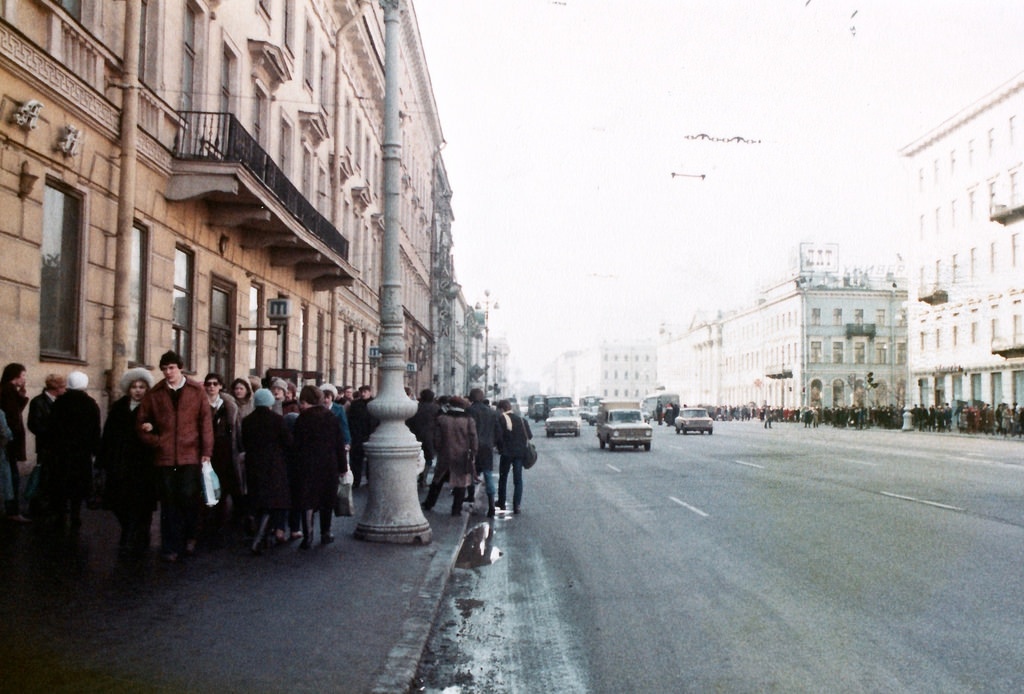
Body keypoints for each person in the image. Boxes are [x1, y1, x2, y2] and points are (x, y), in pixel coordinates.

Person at [137, 350, 214, 563]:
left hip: (190, 455)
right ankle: (170, 546)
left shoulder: (196, 391)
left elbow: (205, 423)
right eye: (164, 369)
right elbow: (142, 423)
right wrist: (157, 441)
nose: (168, 372)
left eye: (171, 368)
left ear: (180, 368)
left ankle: (190, 537)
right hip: (165, 457)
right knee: (168, 502)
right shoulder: (155, 393)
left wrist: (206, 451)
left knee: (189, 498)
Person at [97, 367, 157, 552]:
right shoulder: (119, 406)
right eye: (134, 387)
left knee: (142, 502)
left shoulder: (152, 408)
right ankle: (128, 529)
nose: (138, 390)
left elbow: (162, 432)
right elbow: (108, 434)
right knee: (119, 501)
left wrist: (152, 428)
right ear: (128, 389)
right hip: (121, 461)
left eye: (141, 387)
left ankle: (138, 534)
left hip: (144, 463)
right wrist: (102, 460)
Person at [290, 385, 347, 548]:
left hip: (306, 465)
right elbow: (339, 444)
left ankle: (308, 536)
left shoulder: (302, 419)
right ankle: (325, 533)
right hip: (328, 465)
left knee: (307, 500)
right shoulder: (330, 417)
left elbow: (296, 444)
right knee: (326, 500)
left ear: (306, 401)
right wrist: (343, 467)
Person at [47, 370, 102, 529]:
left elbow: (52, 428)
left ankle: (61, 514)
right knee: (78, 485)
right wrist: (95, 450)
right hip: (81, 453)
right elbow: (95, 430)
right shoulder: (90, 404)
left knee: (61, 483)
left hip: (61, 452)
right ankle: (75, 515)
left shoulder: (59, 403)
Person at [242, 388, 292, 554]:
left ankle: (260, 531)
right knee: (274, 501)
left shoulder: (247, 420)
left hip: (253, 465)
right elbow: (288, 442)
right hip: (274, 466)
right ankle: (261, 537)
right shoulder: (277, 420)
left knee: (258, 499)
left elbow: (244, 442)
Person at [422, 396, 477, 516]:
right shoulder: (468, 420)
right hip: (462, 455)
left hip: (445, 454)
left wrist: (439, 449)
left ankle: (429, 503)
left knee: (438, 480)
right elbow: (473, 438)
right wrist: (473, 452)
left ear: (450, 405)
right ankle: (456, 509)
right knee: (461, 482)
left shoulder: (442, 419)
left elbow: (436, 438)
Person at [203, 373, 242, 535]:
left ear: (220, 386)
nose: (211, 387)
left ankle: (219, 522)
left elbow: (237, 430)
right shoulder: (201, 404)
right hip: (207, 450)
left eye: (215, 384)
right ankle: (208, 522)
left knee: (223, 486)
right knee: (206, 486)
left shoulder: (229, 406)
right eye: (209, 384)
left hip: (225, 450)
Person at [27, 373, 67, 519]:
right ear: (56, 388)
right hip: (46, 445)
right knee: (43, 475)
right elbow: (34, 424)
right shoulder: (38, 402)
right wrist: (52, 433)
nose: (65, 390)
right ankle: (37, 505)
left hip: (57, 446)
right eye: (63, 387)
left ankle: (52, 505)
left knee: (55, 476)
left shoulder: (61, 401)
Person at [0, 362, 30, 522]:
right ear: (16, 376)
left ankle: (12, 508)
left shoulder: (7, 390)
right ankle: (13, 510)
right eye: (23, 375)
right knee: (11, 476)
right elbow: (12, 416)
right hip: (10, 441)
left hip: (9, 440)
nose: (25, 378)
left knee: (10, 474)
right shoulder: (8, 392)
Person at [468, 388, 500, 517]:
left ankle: (472, 501)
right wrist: (493, 443)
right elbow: (498, 431)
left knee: (470, 474)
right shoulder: (491, 412)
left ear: (471, 398)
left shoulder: (469, 411)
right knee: (488, 474)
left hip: (472, 446)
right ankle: (492, 505)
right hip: (487, 447)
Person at [496, 398, 532, 514]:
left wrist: (500, 448)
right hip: (519, 453)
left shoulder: (501, 419)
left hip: (506, 453)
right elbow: (529, 436)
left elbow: (498, 437)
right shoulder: (521, 420)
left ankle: (502, 502)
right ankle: (517, 505)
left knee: (503, 478)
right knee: (518, 479)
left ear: (501, 409)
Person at [407, 389, 440, 489]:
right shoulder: (436, 408)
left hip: (415, 435)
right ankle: (423, 479)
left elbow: (409, 422)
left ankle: (412, 478)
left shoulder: (415, 407)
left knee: (415, 457)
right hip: (430, 436)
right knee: (428, 458)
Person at [347, 384, 378, 488]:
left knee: (371, 460)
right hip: (357, 435)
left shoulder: (375, 404)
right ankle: (356, 481)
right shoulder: (355, 404)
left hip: (371, 435)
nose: (363, 394)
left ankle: (371, 480)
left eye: (365, 392)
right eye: (362, 392)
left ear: (370, 392)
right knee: (356, 460)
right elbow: (350, 419)